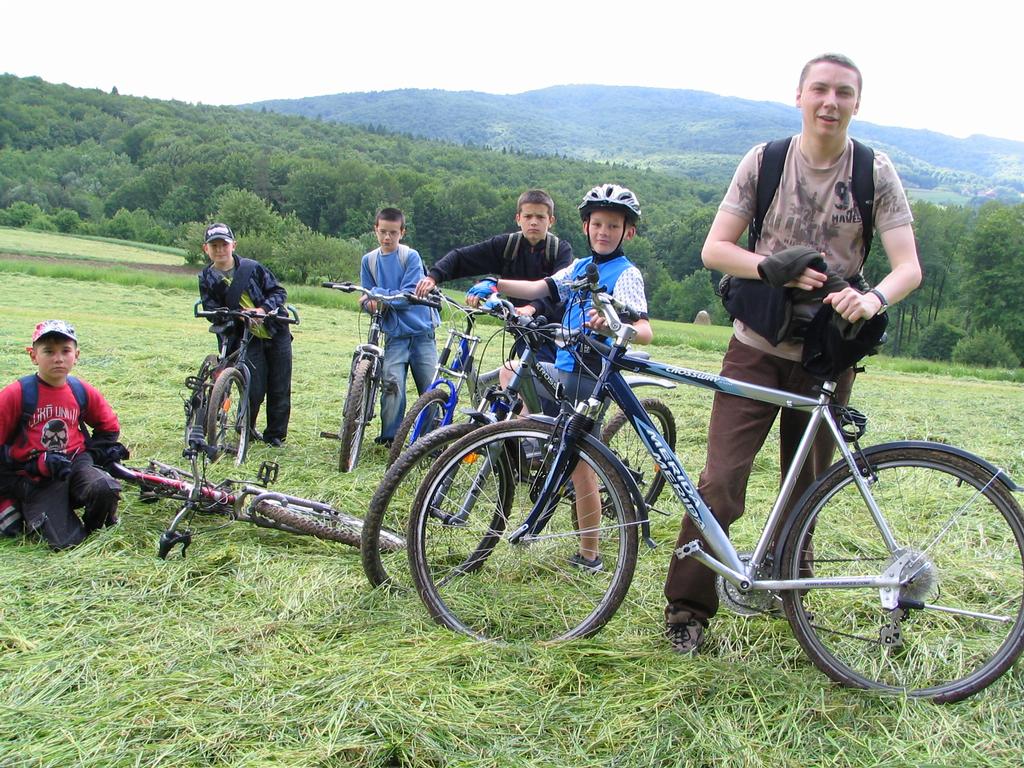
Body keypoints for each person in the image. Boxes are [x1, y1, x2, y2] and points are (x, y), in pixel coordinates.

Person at [663, 53, 922, 654]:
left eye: (844, 93)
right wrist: (769, 267)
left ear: (857, 102)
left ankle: (790, 597)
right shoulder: (766, 161)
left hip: (827, 356)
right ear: (799, 96)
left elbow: (908, 266)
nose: (830, 102)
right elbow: (715, 249)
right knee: (719, 484)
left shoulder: (874, 172)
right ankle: (687, 610)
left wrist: (873, 298)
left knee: (804, 488)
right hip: (755, 346)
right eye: (820, 90)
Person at [484, 184, 653, 570]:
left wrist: (614, 326)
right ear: (585, 227)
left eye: (613, 226)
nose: (604, 232)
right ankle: (536, 444)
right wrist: (496, 284)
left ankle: (589, 555)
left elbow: (645, 329)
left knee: (581, 466)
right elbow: (538, 287)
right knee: (512, 370)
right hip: (563, 368)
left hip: (592, 378)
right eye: (598, 224)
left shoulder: (626, 274)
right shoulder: (579, 268)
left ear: (628, 232)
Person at [0, 320, 124, 549]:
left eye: (65, 351)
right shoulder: (17, 393)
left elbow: (108, 427)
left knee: (105, 487)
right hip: (37, 478)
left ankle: (93, 527)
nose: (58, 358)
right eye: (49, 351)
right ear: (33, 356)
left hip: (74, 463)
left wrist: (95, 454)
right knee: (66, 544)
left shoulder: (80, 390)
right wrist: (33, 465)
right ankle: (16, 506)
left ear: (76, 355)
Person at [415, 188, 572, 343]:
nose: (533, 222)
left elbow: (561, 290)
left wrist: (532, 308)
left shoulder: (560, 250)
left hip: (555, 330)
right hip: (520, 327)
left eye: (540, 217)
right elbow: (461, 258)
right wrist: (433, 277)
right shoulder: (507, 246)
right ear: (518, 219)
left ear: (551, 221)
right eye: (528, 216)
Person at [198, 222, 293, 447]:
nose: (220, 250)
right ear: (206, 249)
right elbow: (211, 310)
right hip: (244, 337)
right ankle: (246, 430)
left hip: (275, 330)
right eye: (214, 246)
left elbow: (278, 292)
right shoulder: (206, 278)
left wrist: (262, 310)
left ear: (233, 245)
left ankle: (275, 436)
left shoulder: (252, 268)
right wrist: (236, 316)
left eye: (224, 244)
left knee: (280, 387)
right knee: (253, 387)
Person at [360, 207, 439, 447]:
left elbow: (407, 296)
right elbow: (366, 298)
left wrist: (377, 295)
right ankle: (390, 438)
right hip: (395, 334)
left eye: (393, 233)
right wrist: (370, 302)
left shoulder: (410, 256)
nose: (387, 237)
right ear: (375, 230)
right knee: (392, 385)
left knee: (429, 387)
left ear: (402, 232)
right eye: (383, 231)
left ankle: (431, 440)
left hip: (421, 332)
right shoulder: (369, 261)